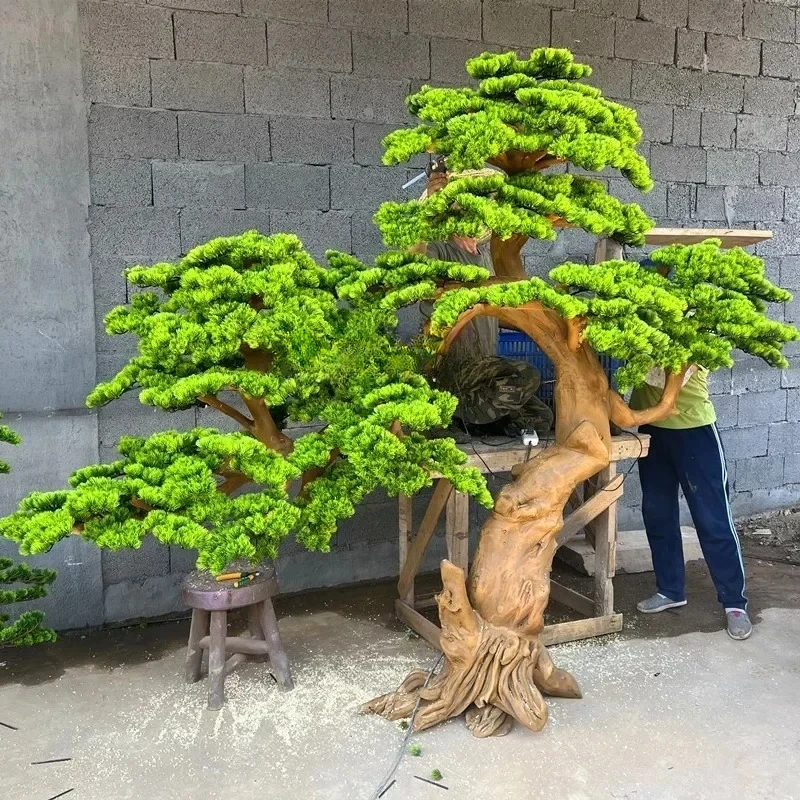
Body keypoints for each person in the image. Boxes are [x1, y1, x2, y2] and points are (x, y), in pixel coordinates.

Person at [414, 162, 553, 438]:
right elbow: (414, 265)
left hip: (485, 371)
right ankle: (448, 411)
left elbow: (499, 309)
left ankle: (475, 422)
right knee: (527, 375)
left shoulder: (484, 255)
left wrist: (544, 324)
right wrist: (430, 207)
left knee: (540, 417)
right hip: (455, 369)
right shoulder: (438, 248)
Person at [629, 367, 751, 640]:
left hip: (695, 431)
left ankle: (734, 603)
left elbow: (667, 373)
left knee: (713, 520)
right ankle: (670, 590)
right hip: (652, 430)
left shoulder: (695, 329)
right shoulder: (643, 326)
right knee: (657, 513)